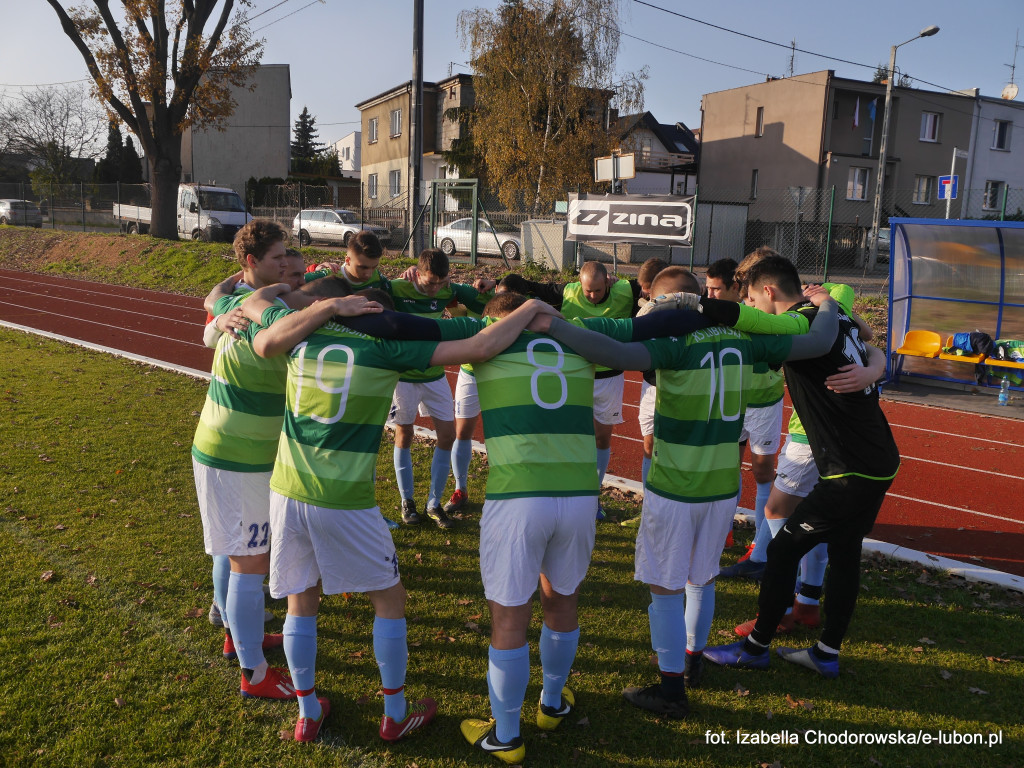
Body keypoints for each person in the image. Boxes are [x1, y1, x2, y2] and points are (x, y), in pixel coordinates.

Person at [238, 281, 556, 744]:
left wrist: (317, 303)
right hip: (345, 499)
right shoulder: (389, 347)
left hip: (287, 491)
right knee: (390, 601)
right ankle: (395, 713)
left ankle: (307, 712)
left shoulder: (299, 332)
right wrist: (528, 307)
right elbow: (482, 345)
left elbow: (252, 303)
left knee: (299, 601)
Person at [532, 265, 840, 718]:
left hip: (675, 486)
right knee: (702, 577)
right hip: (722, 487)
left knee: (665, 587)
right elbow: (818, 341)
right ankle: (693, 660)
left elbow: (607, 347)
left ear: (662, 305)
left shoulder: (670, 346)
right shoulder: (747, 339)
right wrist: (828, 303)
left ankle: (672, 686)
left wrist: (551, 323)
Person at [701, 254, 900, 679]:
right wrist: (875, 365)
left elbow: (739, 317)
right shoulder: (827, 313)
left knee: (784, 549)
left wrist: (692, 305)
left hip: (851, 467)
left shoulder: (799, 322)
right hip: (877, 457)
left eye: (753, 298)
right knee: (846, 553)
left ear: (769, 292)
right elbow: (868, 338)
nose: (752, 306)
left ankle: (756, 648)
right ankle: (826, 653)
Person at [457, 293, 602, 763]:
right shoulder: (581, 343)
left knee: (509, 615)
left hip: (518, 497)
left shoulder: (484, 343)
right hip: (579, 494)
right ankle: (553, 703)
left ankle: (506, 734)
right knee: (562, 601)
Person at [190, 219, 296, 698]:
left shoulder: (235, 303)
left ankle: (238, 635)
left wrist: (219, 300)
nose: (288, 265)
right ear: (253, 262)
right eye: (279, 258)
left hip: (225, 448)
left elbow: (214, 300)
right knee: (249, 560)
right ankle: (254, 673)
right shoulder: (270, 313)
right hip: (238, 455)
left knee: (234, 549)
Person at [497, 262, 634, 519]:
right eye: (587, 290)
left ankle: (593, 496)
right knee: (567, 435)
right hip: (575, 373)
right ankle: (562, 491)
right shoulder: (567, 291)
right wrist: (489, 289)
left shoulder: (628, 289)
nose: (592, 295)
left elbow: (655, 285)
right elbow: (528, 287)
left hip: (610, 377)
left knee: (602, 438)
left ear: (608, 281)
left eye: (597, 290)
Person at [387, 249, 492, 528]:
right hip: (404, 377)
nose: (435, 289)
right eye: (429, 282)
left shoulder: (448, 290)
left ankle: (434, 502)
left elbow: (492, 305)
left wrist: (490, 284)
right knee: (404, 433)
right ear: (417, 273)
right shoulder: (398, 287)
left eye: (440, 282)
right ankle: (406, 501)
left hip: (435, 375)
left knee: (447, 435)